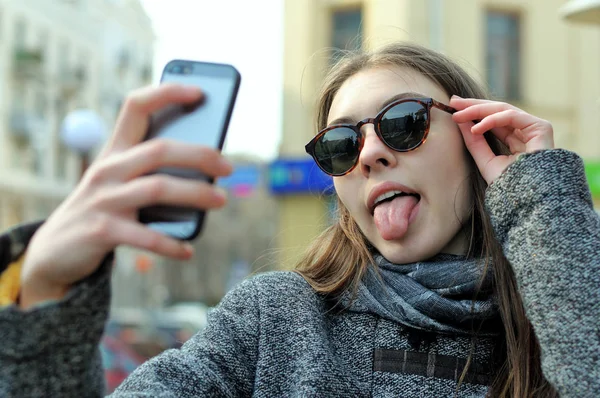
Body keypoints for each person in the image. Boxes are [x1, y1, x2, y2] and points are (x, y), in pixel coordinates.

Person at [0, 42, 598, 397]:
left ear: (479, 139)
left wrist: (544, 202)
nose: (369, 154)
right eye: (340, 145)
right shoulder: (273, 321)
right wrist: (44, 294)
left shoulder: (558, 312)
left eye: (403, 122)